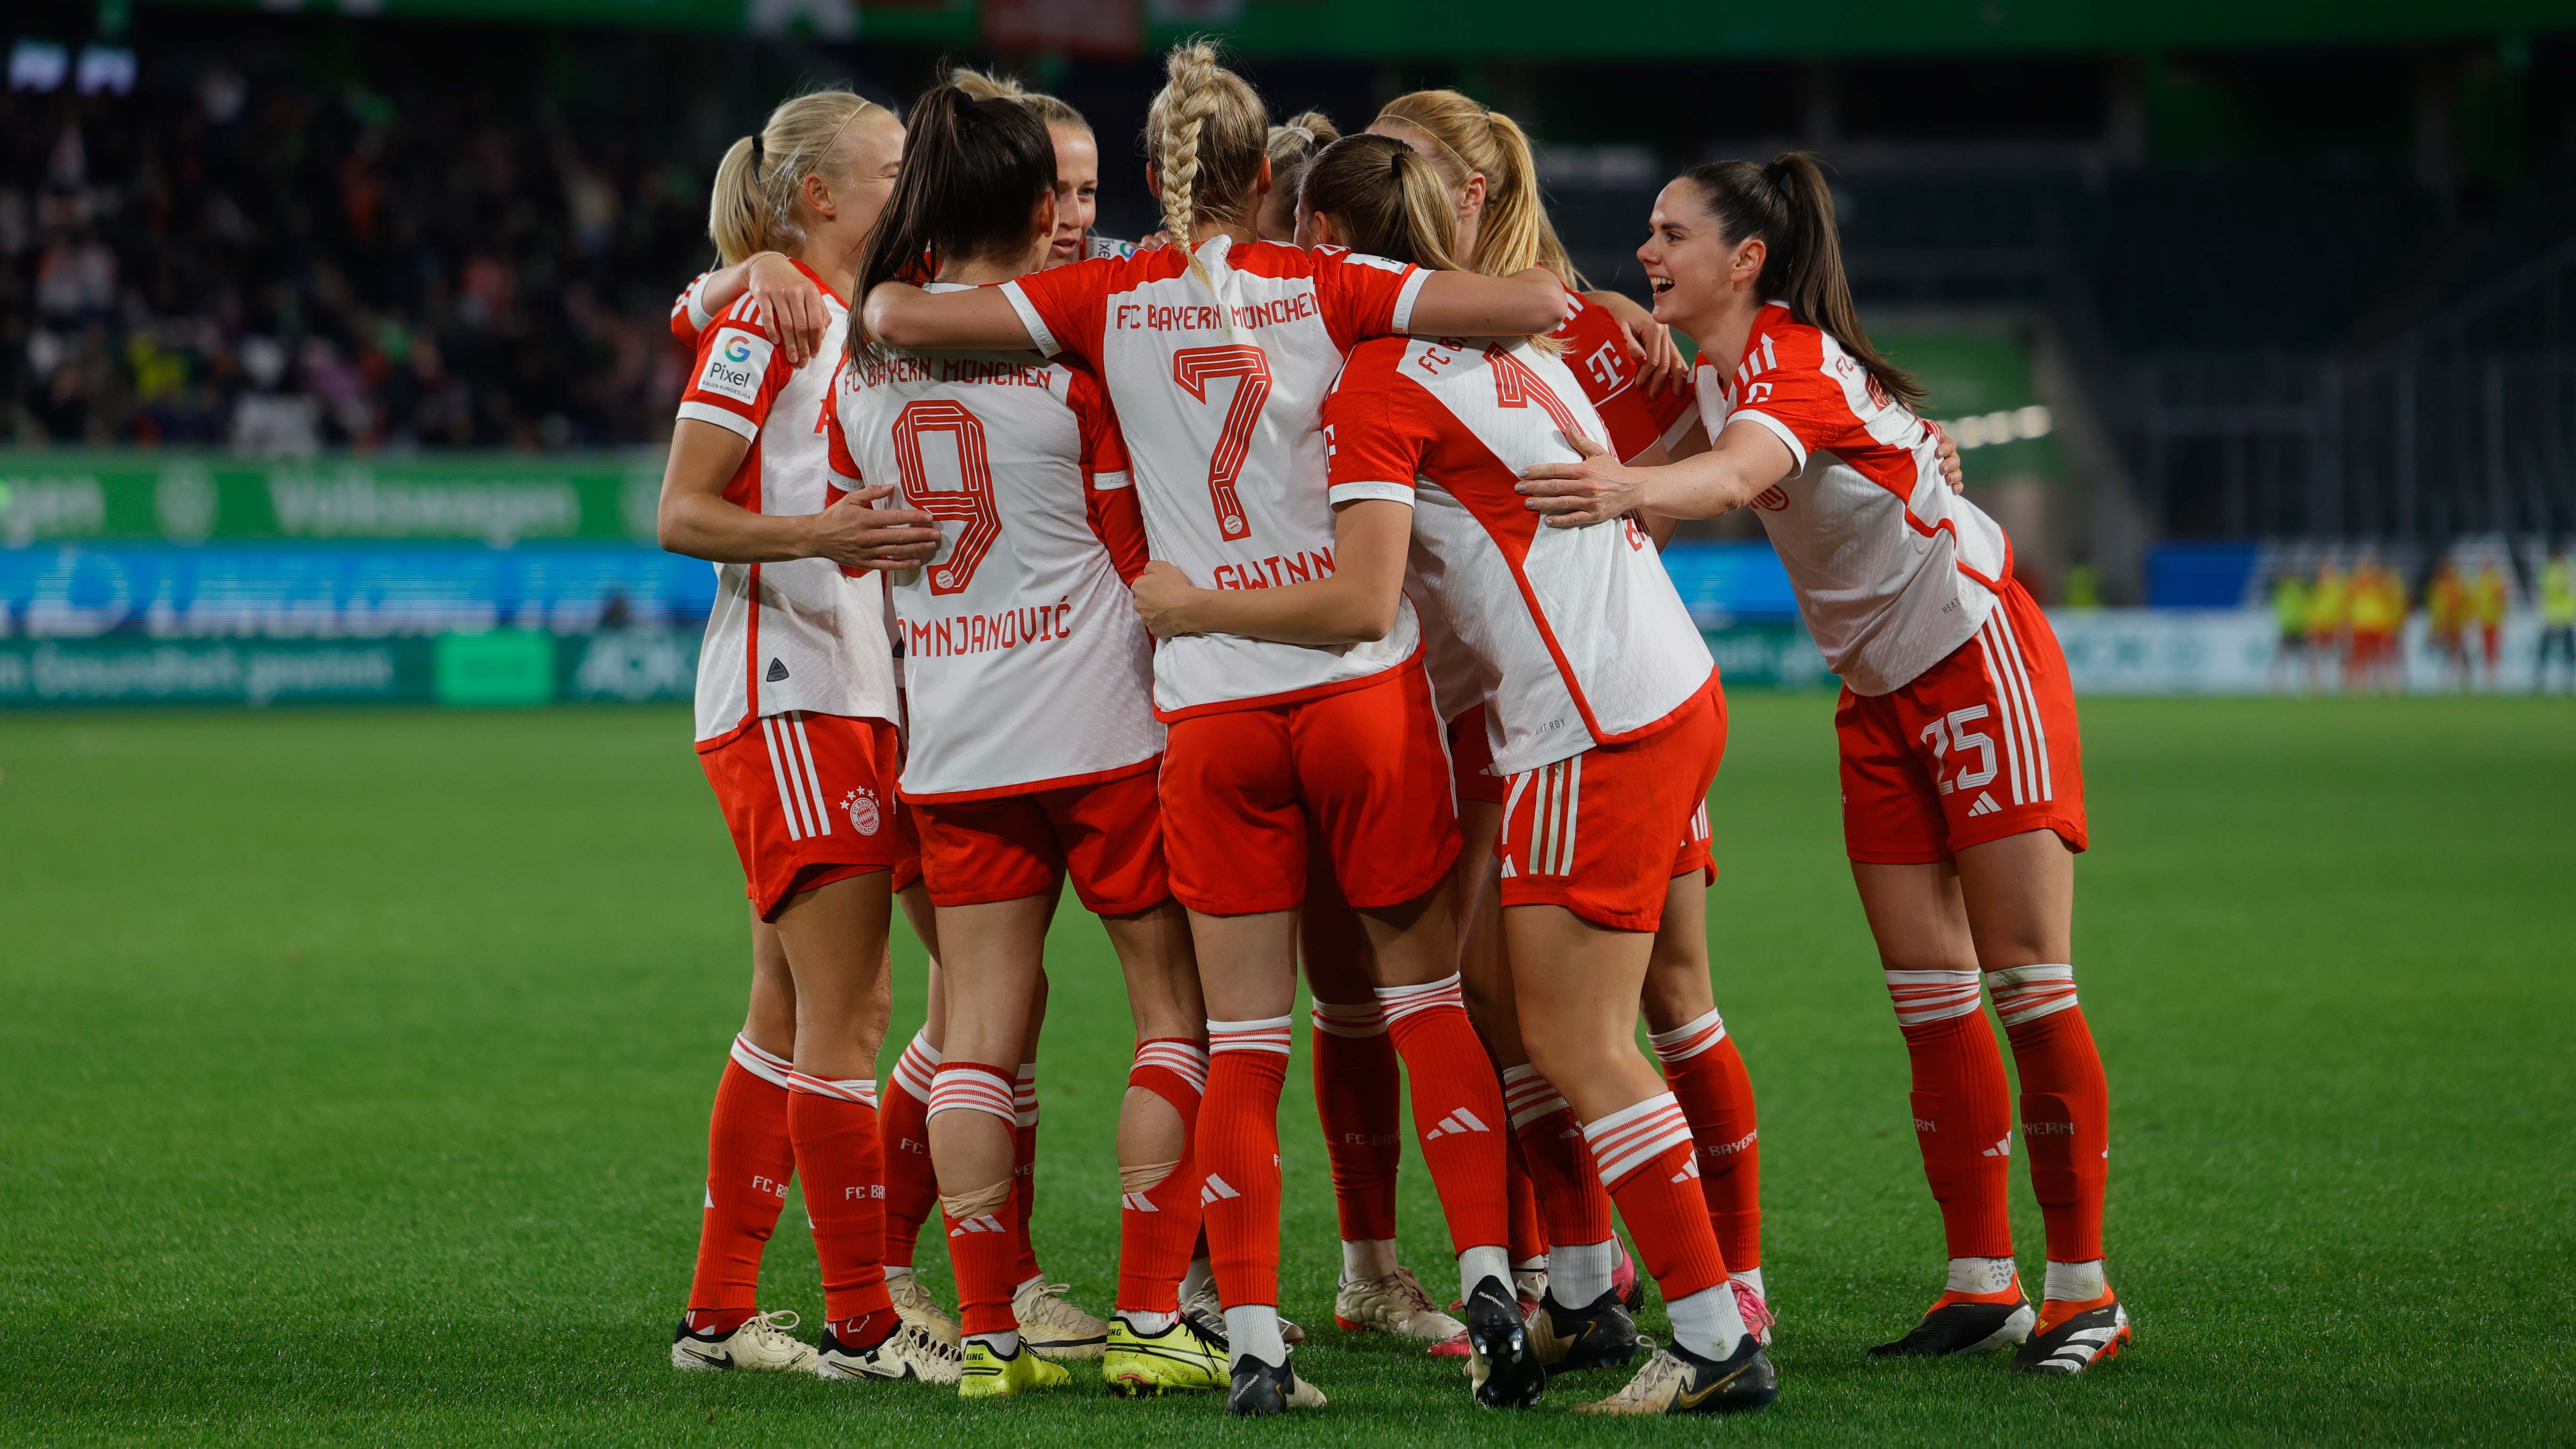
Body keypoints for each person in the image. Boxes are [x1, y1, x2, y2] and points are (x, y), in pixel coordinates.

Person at [861, 40, 1574, 1416]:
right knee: (1406, 1001)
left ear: (1145, 177)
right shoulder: (1331, 285)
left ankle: (1216, 1333)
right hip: (1333, 689)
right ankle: (1478, 1268)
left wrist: (776, 275)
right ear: (1268, 177)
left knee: (1189, 1037)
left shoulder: (1097, 298)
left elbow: (896, 323)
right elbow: (1530, 303)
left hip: (1182, 710)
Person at [1129, 130, 1777, 1417]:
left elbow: (1367, 598)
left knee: (1582, 1034)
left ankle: (1712, 1336)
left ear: (1326, 248)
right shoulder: (1512, 348)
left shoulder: (1379, 384)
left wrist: (1194, 604)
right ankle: (1587, 1291)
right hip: (1650, 685)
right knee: (1512, 995)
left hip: (1594, 720)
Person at [1517, 151, 2131, 1376]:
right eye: (1646, 232)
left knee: (2025, 978)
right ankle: (1983, 1280)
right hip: (1876, 696)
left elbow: (1733, 477)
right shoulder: (1721, 370)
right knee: (1930, 994)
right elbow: (1666, 449)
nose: (1650, 251)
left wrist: (1627, 487)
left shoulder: (1791, 366)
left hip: (1975, 653)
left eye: (1670, 233)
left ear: (1746, 259)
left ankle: (2085, 1292)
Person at [831, 82, 1230, 1399]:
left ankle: (992, 1332)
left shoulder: (863, 367)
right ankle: (1146, 1314)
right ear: (1034, 206)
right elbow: (1144, 551)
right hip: (1104, 730)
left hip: (954, 741)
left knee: (975, 1033)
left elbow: (860, 519)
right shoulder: (1079, 359)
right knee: (1179, 1013)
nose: (1076, 212)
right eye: (1060, 194)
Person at [655, 88, 962, 1385]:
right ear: (821, 195)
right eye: (893, 168)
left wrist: (745, 268)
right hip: (792, 690)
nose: (913, 185)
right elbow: (680, 511)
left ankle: (720, 1317)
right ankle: (863, 1324)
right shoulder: (767, 318)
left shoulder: (817, 308)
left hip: (834, 690)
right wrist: (819, 537)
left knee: (788, 1007)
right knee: (854, 1005)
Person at [2272, 568, 2313, 694]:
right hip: (2291, 626)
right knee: (2285, 656)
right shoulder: (2290, 591)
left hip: (2295, 626)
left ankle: (2300, 683)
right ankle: (2280, 683)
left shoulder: (2288, 591)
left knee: (2297, 656)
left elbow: (2282, 608)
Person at [2540, 546, 2576, 692]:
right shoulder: (2549, 569)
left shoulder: (2567, 570)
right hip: (2552, 616)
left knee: (2567, 647)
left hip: (2564, 615)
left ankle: (2569, 674)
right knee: (2546, 646)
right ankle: (2542, 673)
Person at [2471, 560, 2509, 691]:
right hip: (2484, 620)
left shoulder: (2495, 581)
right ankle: (2488, 675)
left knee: (2493, 648)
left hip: (2494, 620)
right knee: (2486, 649)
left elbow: (2502, 599)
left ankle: (2494, 676)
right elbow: (2476, 601)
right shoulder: (2481, 581)